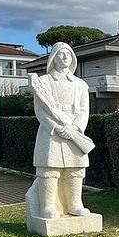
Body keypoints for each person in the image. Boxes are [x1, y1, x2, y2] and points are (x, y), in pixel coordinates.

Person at [30, 41, 93, 219]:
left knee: (75, 169)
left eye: (68, 53)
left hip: (74, 132)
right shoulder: (43, 82)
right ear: (53, 58)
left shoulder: (81, 84)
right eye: (60, 53)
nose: (65, 56)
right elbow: (40, 111)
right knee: (49, 170)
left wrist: (75, 128)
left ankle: (75, 204)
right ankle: (48, 207)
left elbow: (84, 111)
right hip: (51, 133)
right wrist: (56, 127)